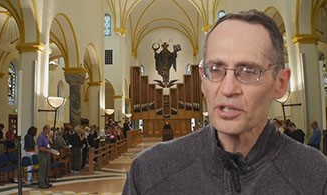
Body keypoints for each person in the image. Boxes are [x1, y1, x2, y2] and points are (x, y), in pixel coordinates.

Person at [123, 10, 327, 194]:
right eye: (215, 69)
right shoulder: (149, 172)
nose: (228, 89)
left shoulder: (317, 175)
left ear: (280, 83)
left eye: (248, 71)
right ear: (202, 80)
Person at [37, 124, 53, 189]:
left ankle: (46, 181)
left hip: (47, 153)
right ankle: (41, 183)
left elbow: (47, 145)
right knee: (42, 169)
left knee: (46, 168)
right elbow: (39, 147)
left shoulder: (46, 136)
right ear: (45, 129)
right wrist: (47, 150)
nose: (49, 131)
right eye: (48, 130)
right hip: (42, 154)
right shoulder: (41, 137)